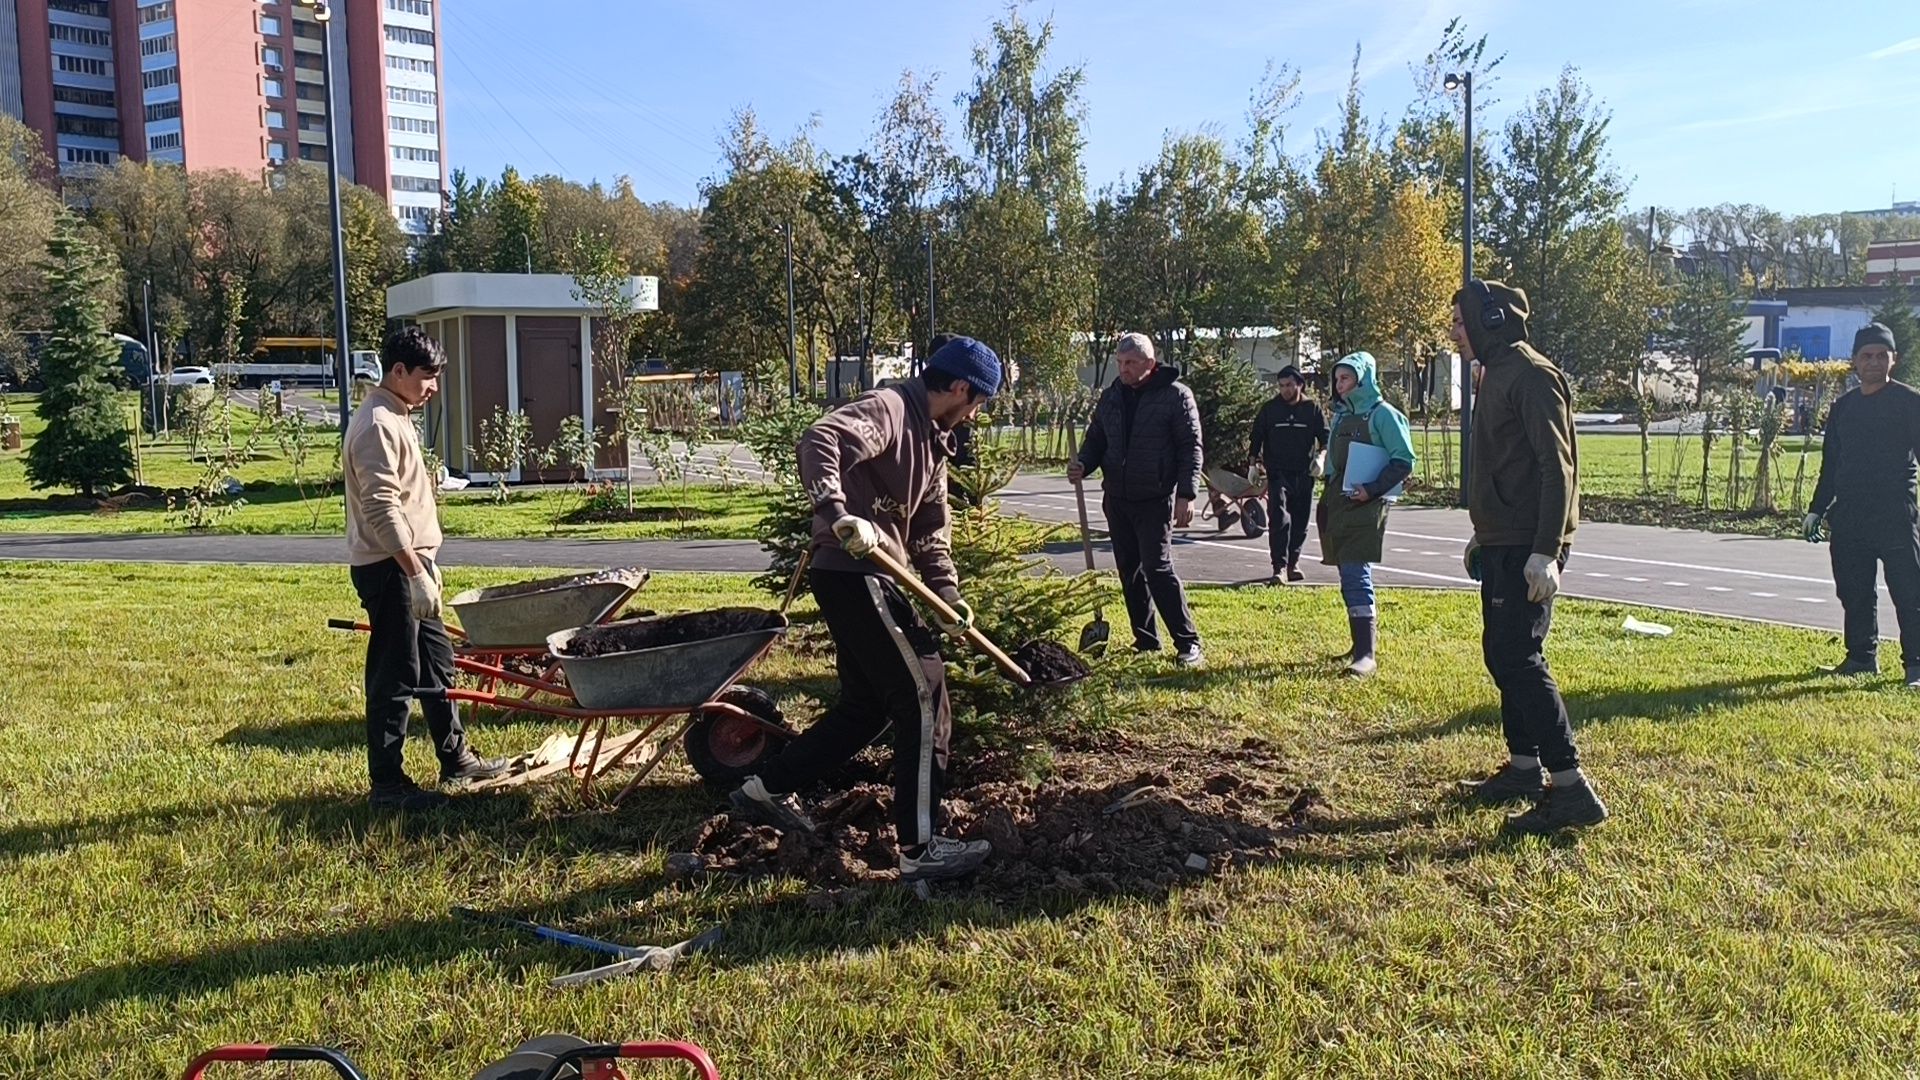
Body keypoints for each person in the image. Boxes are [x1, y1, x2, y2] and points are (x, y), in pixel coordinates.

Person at [729, 336, 1002, 884]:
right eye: (979, 402)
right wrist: (835, 513)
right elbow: (821, 438)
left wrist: (948, 597)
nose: (976, 414)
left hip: (879, 577)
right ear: (959, 387)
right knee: (924, 695)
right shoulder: (893, 410)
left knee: (868, 707)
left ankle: (768, 787)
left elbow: (930, 533)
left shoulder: (935, 443)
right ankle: (921, 848)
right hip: (858, 573)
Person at [1449, 279, 1606, 834]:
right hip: (1503, 539)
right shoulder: (1496, 373)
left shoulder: (1532, 375)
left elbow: (1554, 468)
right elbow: (1505, 466)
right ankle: (1522, 768)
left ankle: (1570, 788)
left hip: (1527, 546)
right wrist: (1483, 532)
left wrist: (1546, 551)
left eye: (1462, 322)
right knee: (1502, 654)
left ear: (1490, 321)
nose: (1455, 333)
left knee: (1520, 657)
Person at [345, 327, 506, 810]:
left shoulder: (397, 413)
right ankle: (388, 785)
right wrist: (413, 570)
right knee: (396, 674)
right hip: (391, 566)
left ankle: (456, 758)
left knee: (437, 663)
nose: (433, 386)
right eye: (427, 377)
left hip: (412, 564)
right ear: (398, 372)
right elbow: (380, 507)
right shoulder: (377, 423)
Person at [1068, 331, 1206, 667]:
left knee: (1157, 568)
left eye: (1130, 363)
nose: (1123, 369)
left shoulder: (1176, 396)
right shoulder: (1112, 396)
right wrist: (1084, 464)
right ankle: (1145, 641)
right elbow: (1097, 437)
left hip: (1155, 497)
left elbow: (1191, 447)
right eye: (1120, 362)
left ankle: (1188, 643)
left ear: (1149, 362)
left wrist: (1186, 494)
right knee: (1129, 570)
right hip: (1117, 496)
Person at [1805, 322, 1920, 687]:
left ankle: (1915, 666)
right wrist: (1816, 509)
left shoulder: (1910, 402)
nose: (1873, 362)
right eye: (1866, 355)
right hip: (1851, 516)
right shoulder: (1843, 408)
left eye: (1881, 355)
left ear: (1893, 360)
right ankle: (1861, 658)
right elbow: (1831, 464)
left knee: (1909, 591)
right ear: (1854, 361)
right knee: (1853, 590)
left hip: (1896, 513)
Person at [1317, 352, 1414, 679]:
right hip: (1338, 500)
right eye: (1337, 379)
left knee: (1357, 571)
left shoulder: (1383, 415)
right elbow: (1334, 461)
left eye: (1345, 379)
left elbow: (1404, 461)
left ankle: (1365, 655)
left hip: (1366, 502)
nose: (1339, 385)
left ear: (1363, 379)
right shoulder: (1342, 416)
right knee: (1346, 571)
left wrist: (1371, 489)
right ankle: (1357, 643)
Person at [1248, 365, 1328, 583]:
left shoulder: (1312, 409)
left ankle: (1293, 563)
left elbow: (1325, 437)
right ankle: (1279, 567)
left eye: (1289, 385)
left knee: (1300, 520)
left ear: (1299, 384)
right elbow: (1257, 436)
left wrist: (1321, 458)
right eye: (1281, 386)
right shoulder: (1270, 409)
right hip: (1277, 473)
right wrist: (1253, 464)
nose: (1285, 390)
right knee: (1279, 518)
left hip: (1303, 472)